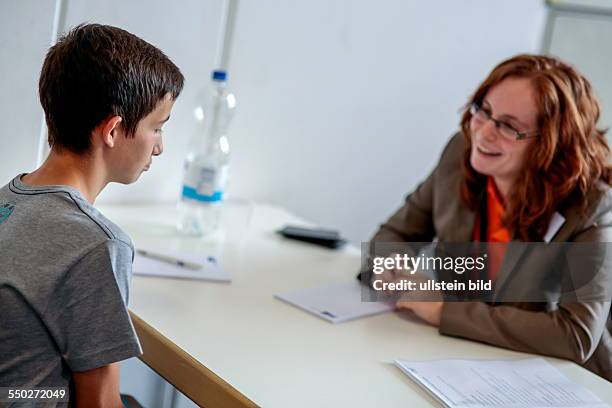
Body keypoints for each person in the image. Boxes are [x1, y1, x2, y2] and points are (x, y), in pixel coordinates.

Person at [365, 54, 611, 381]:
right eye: (483, 110)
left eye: (509, 126)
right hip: (460, 362)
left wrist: (444, 311)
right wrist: (395, 273)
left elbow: (574, 335)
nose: (483, 133)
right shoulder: (460, 154)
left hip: (560, 380)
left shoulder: (592, 205)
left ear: (552, 144)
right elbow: (393, 235)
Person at [0, 23, 184, 406]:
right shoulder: (97, 244)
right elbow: (98, 403)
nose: (160, 147)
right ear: (113, 130)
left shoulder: (8, 201)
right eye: (157, 127)